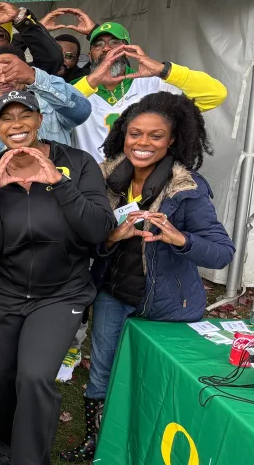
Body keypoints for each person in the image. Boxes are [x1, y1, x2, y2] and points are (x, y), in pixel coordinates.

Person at [59, 93, 234, 462]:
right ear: (123, 134)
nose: (143, 143)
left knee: (155, 379)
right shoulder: (104, 178)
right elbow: (82, 237)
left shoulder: (186, 189)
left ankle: (152, 446)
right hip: (114, 294)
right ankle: (98, 444)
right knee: (102, 373)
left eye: (156, 136)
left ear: (172, 141)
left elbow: (222, 251)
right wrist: (110, 236)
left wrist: (179, 238)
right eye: (135, 133)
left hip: (168, 303)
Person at [0, 90, 114, 465]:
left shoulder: (77, 163)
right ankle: (8, 441)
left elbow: (99, 228)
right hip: (3, 291)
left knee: (34, 377)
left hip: (60, 293)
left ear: (39, 120)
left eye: (25, 115)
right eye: (7, 118)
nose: (16, 124)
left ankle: (28, 458)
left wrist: (57, 182)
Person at [70, 21, 228, 162]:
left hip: (146, 185)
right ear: (90, 56)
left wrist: (162, 70)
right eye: (98, 44)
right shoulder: (76, 90)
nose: (106, 49)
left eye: (114, 42)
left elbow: (215, 95)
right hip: (93, 186)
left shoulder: (155, 84)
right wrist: (90, 83)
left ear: (128, 50)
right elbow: (49, 114)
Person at [0, 39, 91, 167]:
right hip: (1, 189)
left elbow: (81, 111)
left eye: (10, 72)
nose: (3, 79)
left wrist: (34, 77)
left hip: (58, 188)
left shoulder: (51, 103)